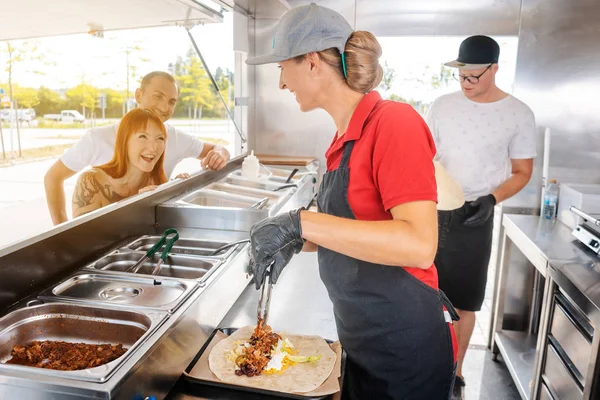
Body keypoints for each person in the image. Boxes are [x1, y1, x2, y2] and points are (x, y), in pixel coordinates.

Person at [246, 4, 458, 399]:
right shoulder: (341, 142)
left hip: (404, 350)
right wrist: (294, 241)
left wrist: (301, 223)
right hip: (361, 341)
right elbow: (354, 227)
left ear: (312, 62)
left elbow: (418, 245)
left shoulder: (394, 123)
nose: (280, 83)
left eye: (281, 67)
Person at [426, 35, 536, 400]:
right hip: (433, 210)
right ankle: (422, 364)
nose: (467, 84)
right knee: (422, 294)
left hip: (476, 214)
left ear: (494, 69)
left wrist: (492, 199)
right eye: (462, 77)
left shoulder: (518, 113)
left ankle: (454, 373)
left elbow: (522, 171)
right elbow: (426, 157)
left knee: (463, 302)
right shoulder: (442, 106)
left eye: (475, 77)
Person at [45, 71, 230, 225]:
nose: (164, 107)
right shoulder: (96, 141)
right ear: (138, 95)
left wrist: (174, 190)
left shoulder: (173, 136)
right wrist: (61, 231)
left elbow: (217, 148)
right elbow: (53, 178)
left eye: (172, 101)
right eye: (158, 96)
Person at [71, 108, 168, 217]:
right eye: (143, 136)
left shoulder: (156, 182)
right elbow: (83, 233)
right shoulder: (90, 182)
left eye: (160, 138)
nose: (153, 148)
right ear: (124, 141)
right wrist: (137, 206)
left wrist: (178, 190)